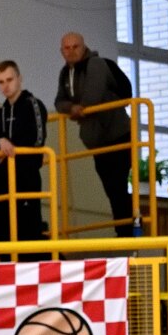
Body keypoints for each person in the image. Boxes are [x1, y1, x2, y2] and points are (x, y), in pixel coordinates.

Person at [56, 33, 136, 236]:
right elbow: (59, 102)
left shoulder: (96, 64)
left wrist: (78, 109)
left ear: (84, 47)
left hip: (117, 134)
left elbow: (93, 97)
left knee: (117, 186)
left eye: (75, 46)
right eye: (67, 48)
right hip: (98, 141)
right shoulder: (66, 73)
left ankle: (127, 233)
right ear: (61, 51)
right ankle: (124, 231)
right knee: (111, 188)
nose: (71, 51)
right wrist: (73, 108)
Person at [0, 60, 49, 245]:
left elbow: (37, 139)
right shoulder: (0, 113)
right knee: (5, 228)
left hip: (27, 175)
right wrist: (0, 140)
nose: (5, 86)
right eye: (1, 82)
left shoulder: (33, 104)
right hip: (4, 179)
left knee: (29, 228)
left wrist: (10, 146)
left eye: (9, 80)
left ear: (19, 78)